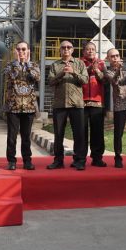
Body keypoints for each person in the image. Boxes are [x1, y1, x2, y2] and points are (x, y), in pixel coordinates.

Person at [47, 40, 88, 170]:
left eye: (68, 47)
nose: (66, 49)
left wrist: (73, 72)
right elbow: (50, 81)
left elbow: (85, 80)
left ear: (72, 50)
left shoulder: (80, 63)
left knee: (79, 134)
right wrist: (61, 73)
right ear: (60, 50)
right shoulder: (55, 65)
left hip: (76, 104)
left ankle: (79, 161)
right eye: (63, 47)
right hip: (60, 105)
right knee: (58, 134)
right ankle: (58, 161)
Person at [2, 41, 40, 171]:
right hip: (13, 106)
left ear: (28, 51)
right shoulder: (9, 66)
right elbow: (11, 77)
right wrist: (17, 64)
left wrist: (27, 64)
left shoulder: (34, 65)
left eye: (24, 49)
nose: (21, 52)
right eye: (18, 49)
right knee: (12, 136)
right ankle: (11, 161)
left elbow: (36, 77)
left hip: (28, 106)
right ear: (15, 51)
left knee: (26, 137)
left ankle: (27, 161)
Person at [81, 41, 106, 167]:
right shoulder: (79, 63)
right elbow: (77, 77)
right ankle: (80, 158)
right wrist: (88, 69)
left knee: (97, 132)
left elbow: (104, 80)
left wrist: (96, 70)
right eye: (88, 49)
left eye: (93, 49)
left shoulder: (101, 63)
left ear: (95, 51)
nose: (90, 51)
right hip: (82, 103)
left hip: (97, 103)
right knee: (81, 131)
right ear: (83, 51)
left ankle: (97, 158)